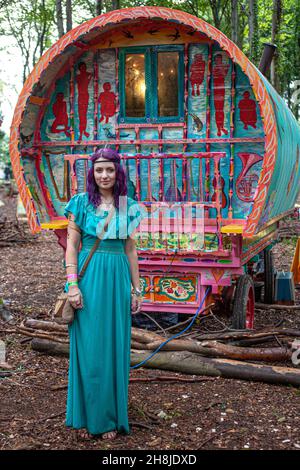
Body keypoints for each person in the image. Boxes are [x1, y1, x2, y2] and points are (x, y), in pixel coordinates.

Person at [63, 147, 146, 441]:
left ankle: (109, 416)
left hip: (118, 280)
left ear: (118, 171)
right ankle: (86, 417)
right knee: (89, 348)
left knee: (114, 348)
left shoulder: (130, 207)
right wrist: (72, 284)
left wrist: (137, 289)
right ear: (92, 173)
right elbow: (71, 247)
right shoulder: (80, 203)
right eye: (99, 170)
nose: (104, 175)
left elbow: (131, 249)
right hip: (89, 281)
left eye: (109, 169)